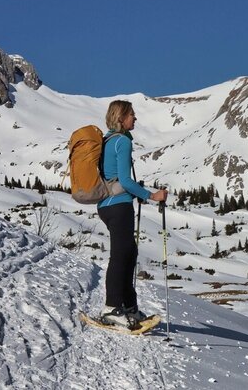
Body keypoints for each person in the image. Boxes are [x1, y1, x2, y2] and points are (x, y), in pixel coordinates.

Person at [97, 99, 167, 327]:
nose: (134, 118)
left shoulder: (108, 140)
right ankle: (112, 308)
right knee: (121, 256)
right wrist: (150, 195)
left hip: (107, 205)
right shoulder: (122, 142)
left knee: (128, 254)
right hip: (119, 206)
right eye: (131, 115)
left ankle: (129, 307)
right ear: (121, 118)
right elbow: (125, 180)